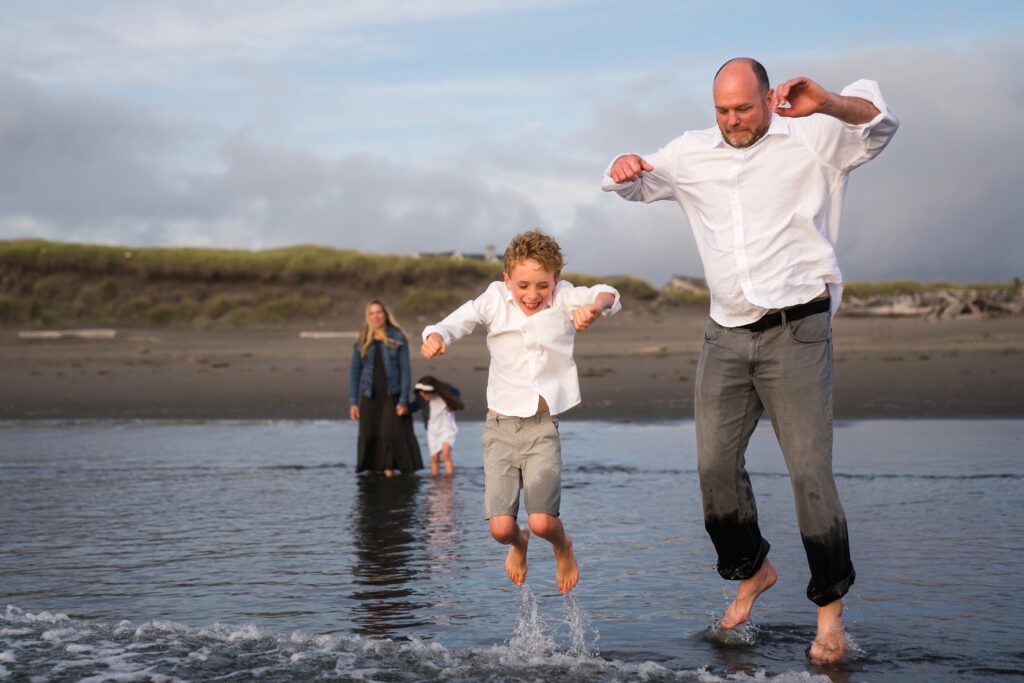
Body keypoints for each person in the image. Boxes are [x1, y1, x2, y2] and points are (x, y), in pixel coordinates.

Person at [602, 58, 898, 664]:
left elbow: (880, 127)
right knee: (713, 468)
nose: (733, 121)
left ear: (766, 97)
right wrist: (625, 167)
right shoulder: (691, 152)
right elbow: (631, 184)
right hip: (726, 335)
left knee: (810, 475)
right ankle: (753, 569)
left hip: (798, 330)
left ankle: (830, 618)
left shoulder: (812, 133)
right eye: (722, 110)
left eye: (743, 108)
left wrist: (830, 102)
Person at [420, 229, 621, 593]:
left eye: (542, 285)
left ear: (556, 281)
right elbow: (455, 321)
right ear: (507, 279)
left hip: (542, 428)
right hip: (498, 428)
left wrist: (594, 308)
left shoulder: (564, 299)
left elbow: (606, 293)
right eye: (523, 284)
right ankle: (519, 542)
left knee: (544, 521)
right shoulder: (495, 299)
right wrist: (436, 336)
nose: (533, 295)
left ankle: (564, 547)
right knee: (500, 529)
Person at [348, 300, 424, 476]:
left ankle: (391, 478)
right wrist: (353, 402)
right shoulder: (362, 338)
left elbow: (405, 370)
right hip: (369, 395)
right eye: (372, 313)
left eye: (379, 312)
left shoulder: (397, 337)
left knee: (391, 433)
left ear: (386, 314)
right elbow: (354, 372)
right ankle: (373, 478)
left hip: (392, 394)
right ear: (368, 317)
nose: (376, 316)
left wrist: (404, 400)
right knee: (370, 434)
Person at [412, 375, 464, 476]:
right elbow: (414, 406)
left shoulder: (445, 393)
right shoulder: (421, 398)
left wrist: (452, 405)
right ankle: (435, 483)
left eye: (427, 395)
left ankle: (449, 482)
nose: (426, 398)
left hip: (446, 428)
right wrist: (404, 409)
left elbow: (456, 394)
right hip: (432, 430)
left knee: (445, 454)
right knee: (434, 458)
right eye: (423, 396)